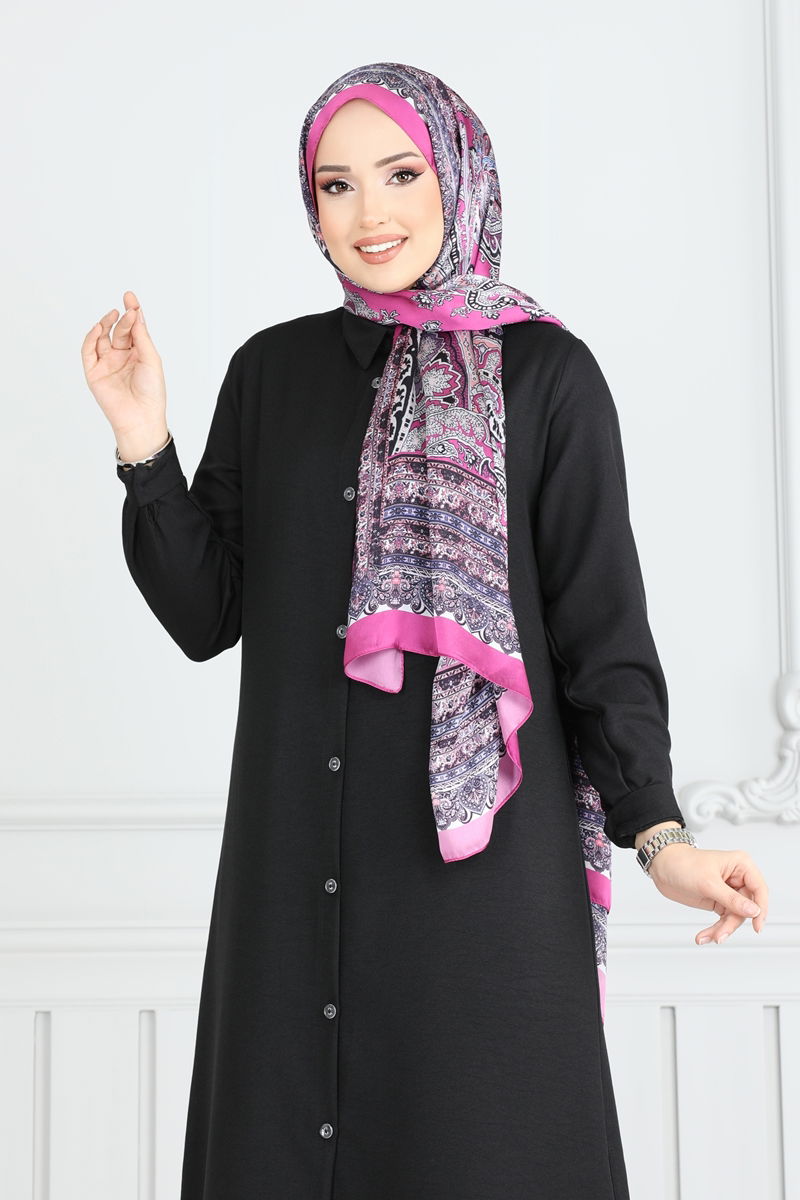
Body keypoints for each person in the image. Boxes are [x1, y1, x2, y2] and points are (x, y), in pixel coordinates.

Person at [81, 61, 769, 1200]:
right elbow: (207, 615)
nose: (370, 212)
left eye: (400, 174)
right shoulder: (270, 374)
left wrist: (661, 840)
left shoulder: (545, 376)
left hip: (478, 889)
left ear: (458, 176)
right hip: (291, 879)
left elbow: (601, 636)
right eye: (336, 185)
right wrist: (142, 440)